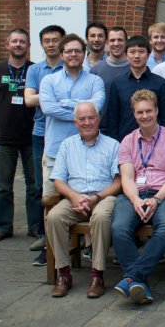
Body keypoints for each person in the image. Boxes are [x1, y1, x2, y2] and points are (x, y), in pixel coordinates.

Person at [111, 89, 165, 305]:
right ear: (134, 114)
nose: (145, 116)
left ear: (157, 110)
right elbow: (126, 177)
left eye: (148, 111)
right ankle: (138, 282)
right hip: (133, 194)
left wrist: (156, 199)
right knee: (119, 227)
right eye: (140, 112)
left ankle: (131, 277)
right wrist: (135, 200)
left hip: (164, 194)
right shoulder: (127, 141)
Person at [46, 102, 121, 298]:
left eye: (91, 118)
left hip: (103, 196)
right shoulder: (67, 145)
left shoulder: (113, 145)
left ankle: (97, 275)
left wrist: (96, 197)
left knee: (101, 217)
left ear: (99, 119)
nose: (87, 122)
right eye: (82, 119)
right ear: (75, 122)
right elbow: (59, 180)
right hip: (74, 197)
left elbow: (118, 182)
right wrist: (74, 196)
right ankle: (63, 274)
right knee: (53, 217)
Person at [0, 28, 37, 244]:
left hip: (31, 136)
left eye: (22, 42)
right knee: (3, 186)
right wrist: (6, 114)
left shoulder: (34, 70)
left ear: (28, 46)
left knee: (34, 186)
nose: (18, 45)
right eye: (15, 41)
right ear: (7, 45)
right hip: (2, 137)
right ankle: (3, 227)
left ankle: (34, 227)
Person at [39, 35, 106, 196]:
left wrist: (64, 103)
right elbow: (48, 108)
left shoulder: (96, 81)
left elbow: (96, 107)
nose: (73, 54)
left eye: (77, 51)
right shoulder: (48, 81)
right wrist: (83, 111)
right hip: (54, 152)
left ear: (84, 54)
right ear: (61, 55)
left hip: (88, 152)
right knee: (50, 201)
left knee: (84, 201)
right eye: (68, 51)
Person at [24, 24, 65, 258]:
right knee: (43, 187)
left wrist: (47, 99)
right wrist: (56, 97)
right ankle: (46, 237)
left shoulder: (70, 65)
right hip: (41, 133)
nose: (51, 44)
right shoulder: (35, 70)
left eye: (55, 40)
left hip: (67, 134)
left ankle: (64, 235)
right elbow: (28, 101)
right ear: (41, 44)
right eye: (46, 40)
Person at [106, 36, 165, 142]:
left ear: (148, 54)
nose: (137, 56)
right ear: (126, 55)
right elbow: (112, 119)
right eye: (132, 52)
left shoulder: (160, 83)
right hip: (124, 142)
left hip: (154, 142)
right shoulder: (118, 83)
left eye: (141, 51)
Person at [90, 26, 130, 132]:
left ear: (126, 42)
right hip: (102, 129)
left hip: (128, 129)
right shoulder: (96, 70)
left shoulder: (135, 69)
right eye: (112, 40)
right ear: (107, 43)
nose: (116, 43)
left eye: (120, 40)